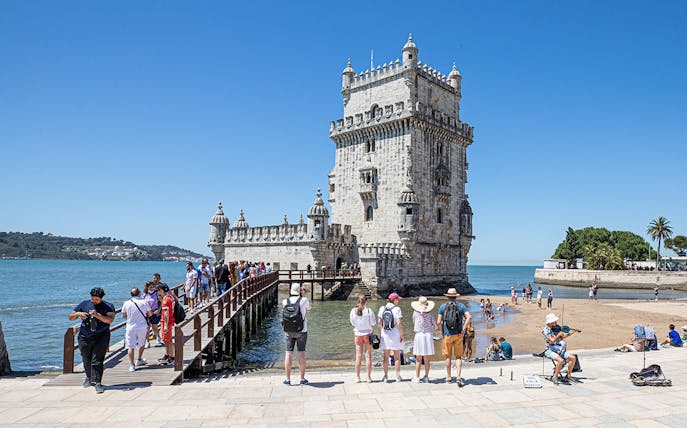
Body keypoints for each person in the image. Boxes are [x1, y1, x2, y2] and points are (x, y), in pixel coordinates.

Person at [69, 287, 115, 394]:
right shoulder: (84, 304)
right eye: (92, 298)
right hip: (85, 336)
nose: (94, 301)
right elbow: (70, 317)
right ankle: (89, 377)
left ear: (101, 298)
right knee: (86, 358)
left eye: (96, 299)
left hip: (101, 336)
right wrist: (78, 314)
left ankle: (98, 382)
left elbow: (109, 320)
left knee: (97, 360)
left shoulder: (108, 306)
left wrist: (97, 315)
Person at [437, 288, 471, 387]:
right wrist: (463, 330)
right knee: (458, 357)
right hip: (458, 335)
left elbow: (438, 322)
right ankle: (459, 376)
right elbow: (469, 317)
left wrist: (442, 332)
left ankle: (448, 377)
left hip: (447, 335)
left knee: (448, 357)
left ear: (447, 296)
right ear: (456, 296)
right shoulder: (461, 306)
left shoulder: (443, 306)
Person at [283, 283, 311, 385]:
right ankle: (302, 379)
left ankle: (287, 379)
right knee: (301, 353)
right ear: (299, 290)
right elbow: (308, 308)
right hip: (302, 331)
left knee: (288, 353)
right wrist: (302, 296)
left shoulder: (284, 301)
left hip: (288, 331)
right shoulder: (304, 300)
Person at [121, 287, 153, 372]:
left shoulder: (126, 303)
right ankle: (139, 359)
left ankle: (132, 365)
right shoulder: (144, 302)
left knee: (130, 346)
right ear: (139, 293)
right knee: (142, 344)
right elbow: (150, 314)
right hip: (142, 326)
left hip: (130, 327)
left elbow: (124, 315)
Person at [542, 313, 578, 385]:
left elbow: (562, 337)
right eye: (554, 321)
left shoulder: (557, 328)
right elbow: (552, 341)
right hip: (550, 350)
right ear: (550, 322)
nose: (556, 323)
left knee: (573, 358)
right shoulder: (545, 330)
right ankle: (555, 377)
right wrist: (558, 335)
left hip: (560, 350)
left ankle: (568, 375)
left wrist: (570, 333)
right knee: (560, 360)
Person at [378, 292, 405, 383]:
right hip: (395, 335)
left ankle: (385, 376)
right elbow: (399, 323)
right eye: (398, 300)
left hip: (385, 335)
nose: (398, 301)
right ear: (394, 300)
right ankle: (397, 376)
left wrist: (380, 334)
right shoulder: (397, 309)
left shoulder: (382, 308)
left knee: (386, 357)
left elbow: (379, 323)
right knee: (397, 357)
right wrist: (402, 334)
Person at [349, 294, 376, 383]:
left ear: (358, 301)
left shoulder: (353, 311)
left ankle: (357, 377)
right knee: (368, 356)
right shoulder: (369, 311)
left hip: (358, 334)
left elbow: (352, 323)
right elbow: (373, 323)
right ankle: (368, 377)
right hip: (368, 334)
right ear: (366, 301)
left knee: (358, 356)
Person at [410, 296, 437, 383]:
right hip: (428, 335)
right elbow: (435, 326)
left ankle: (417, 377)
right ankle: (426, 377)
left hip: (419, 335)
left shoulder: (415, 313)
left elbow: (414, 323)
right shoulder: (430, 314)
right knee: (426, 358)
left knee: (418, 358)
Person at [156, 284, 176, 365]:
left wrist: (165, 325)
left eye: (157, 290)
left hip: (166, 321)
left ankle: (171, 357)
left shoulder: (165, 300)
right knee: (166, 340)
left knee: (168, 340)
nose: (157, 292)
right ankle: (168, 355)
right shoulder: (170, 297)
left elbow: (166, 313)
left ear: (161, 290)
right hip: (170, 321)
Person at [143, 281, 162, 348]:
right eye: (150, 287)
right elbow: (142, 304)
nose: (152, 288)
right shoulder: (145, 295)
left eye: (153, 287)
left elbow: (162, 302)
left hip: (154, 312)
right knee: (147, 328)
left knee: (155, 327)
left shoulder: (156, 294)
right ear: (147, 287)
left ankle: (158, 338)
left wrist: (158, 310)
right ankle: (147, 342)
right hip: (147, 313)